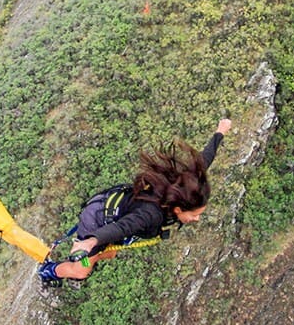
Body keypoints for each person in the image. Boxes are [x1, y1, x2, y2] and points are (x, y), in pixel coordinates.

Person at [37, 118, 233, 284]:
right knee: (82, 270)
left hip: (111, 212)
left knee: (110, 253)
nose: (197, 219)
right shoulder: (150, 214)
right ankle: (50, 271)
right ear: (179, 209)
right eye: (194, 215)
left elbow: (203, 161)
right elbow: (123, 227)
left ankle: (93, 254)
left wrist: (220, 132)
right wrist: (90, 242)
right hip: (96, 223)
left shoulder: (180, 188)